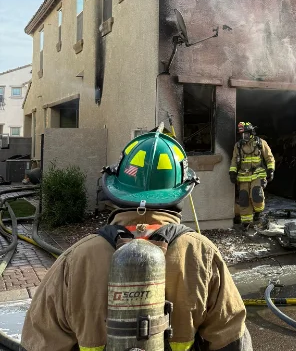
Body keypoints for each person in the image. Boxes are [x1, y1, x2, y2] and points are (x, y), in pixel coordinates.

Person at [21, 130, 252, 351]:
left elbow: (39, 341)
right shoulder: (201, 254)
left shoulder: (76, 259)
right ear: (182, 192)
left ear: (115, 189)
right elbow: (232, 340)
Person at [229, 122, 275, 227]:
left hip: (258, 174)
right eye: (242, 134)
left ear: (251, 133)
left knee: (256, 195)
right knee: (244, 199)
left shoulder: (260, 143)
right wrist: (232, 172)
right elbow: (234, 161)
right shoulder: (238, 146)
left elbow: (269, 157)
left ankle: (258, 213)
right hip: (243, 176)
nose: (244, 136)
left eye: (246, 134)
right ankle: (246, 221)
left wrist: (271, 170)